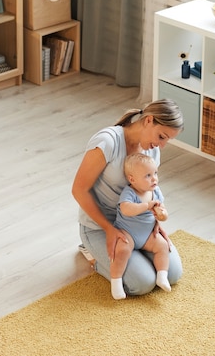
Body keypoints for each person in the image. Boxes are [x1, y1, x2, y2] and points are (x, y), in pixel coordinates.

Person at [72, 99, 184, 297]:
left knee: (173, 273)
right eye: (161, 136)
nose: (162, 145)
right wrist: (109, 229)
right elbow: (79, 190)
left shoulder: (152, 149)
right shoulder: (107, 142)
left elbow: (150, 188)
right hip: (100, 226)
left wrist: (154, 221)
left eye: (167, 140)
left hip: (138, 226)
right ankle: (94, 257)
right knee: (142, 284)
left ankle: (136, 255)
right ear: (148, 120)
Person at [111, 153, 171, 299]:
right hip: (128, 232)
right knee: (122, 250)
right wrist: (146, 206)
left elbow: (163, 211)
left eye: (155, 173)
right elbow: (126, 209)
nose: (154, 178)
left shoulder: (155, 191)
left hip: (148, 235)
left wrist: (162, 215)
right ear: (132, 179)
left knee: (162, 246)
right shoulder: (129, 192)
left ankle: (162, 276)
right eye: (148, 175)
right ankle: (116, 282)